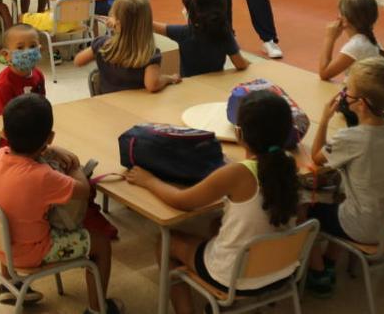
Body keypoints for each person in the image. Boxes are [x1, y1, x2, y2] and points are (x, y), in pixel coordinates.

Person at [125, 90, 300, 313]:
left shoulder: (237, 173)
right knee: (216, 224)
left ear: (239, 134)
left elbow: (181, 201)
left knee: (165, 242)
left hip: (234, 276)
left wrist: (148, 180)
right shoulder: (288, 165)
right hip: (283, 270)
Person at [0, 93, 123, 314]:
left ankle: (10, 284)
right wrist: (75, 164)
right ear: (50, 137)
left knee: (13, 209)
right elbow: (84, 190)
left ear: (6, 133)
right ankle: (98, 309)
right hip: (29, 252)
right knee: (101, 244)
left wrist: (49, 149)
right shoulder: (41, 177)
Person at [305, 57, 384, 297]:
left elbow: (316, 157)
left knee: (303, 210)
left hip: (366, 227)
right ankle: (330, 259)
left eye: (346, 89)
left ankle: (318, 274)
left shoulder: (352, 138)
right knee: (342, 198)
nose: (343, 93)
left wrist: (324, 119)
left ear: (360, 103)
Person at [74, 0, 181, 94]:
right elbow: (152, 85)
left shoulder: (102, 44)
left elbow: (78, 61)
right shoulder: (149, 54)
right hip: (137, 107)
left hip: (106, 105)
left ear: (116, 23)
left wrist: (97, 51)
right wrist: (169, 78)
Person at [153, 0, 249, 77]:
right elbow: (240, 64)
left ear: (192, 13)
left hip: (189, 86)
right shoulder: (224, 33)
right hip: (215, 86)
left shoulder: (183, 33)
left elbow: (152, 26)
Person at [319, 0, 384, 81]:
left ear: (344, 20)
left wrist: (329, 38)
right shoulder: (368, 40)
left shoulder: (357, 45)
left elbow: (324, 73)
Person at [0, 24, 45, 118]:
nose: (28, 52)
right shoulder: (2, 86)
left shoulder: (38, 75)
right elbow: (0, 122)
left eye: (32, 46)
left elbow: (42, 106)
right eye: (20, 48)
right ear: (6, 55)